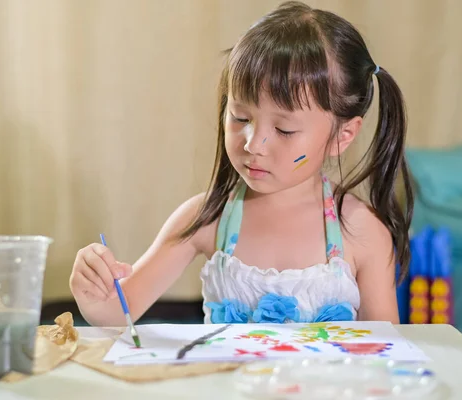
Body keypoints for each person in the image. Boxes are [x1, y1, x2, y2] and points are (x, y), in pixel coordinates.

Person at [69, 1, 413, 326]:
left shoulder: (362, 231)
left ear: (344, 135)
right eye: (240, 117)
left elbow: (385, 349)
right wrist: (93, 290)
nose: (253, 143)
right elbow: (118, 312)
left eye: (284, 129)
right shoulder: (207, 218)